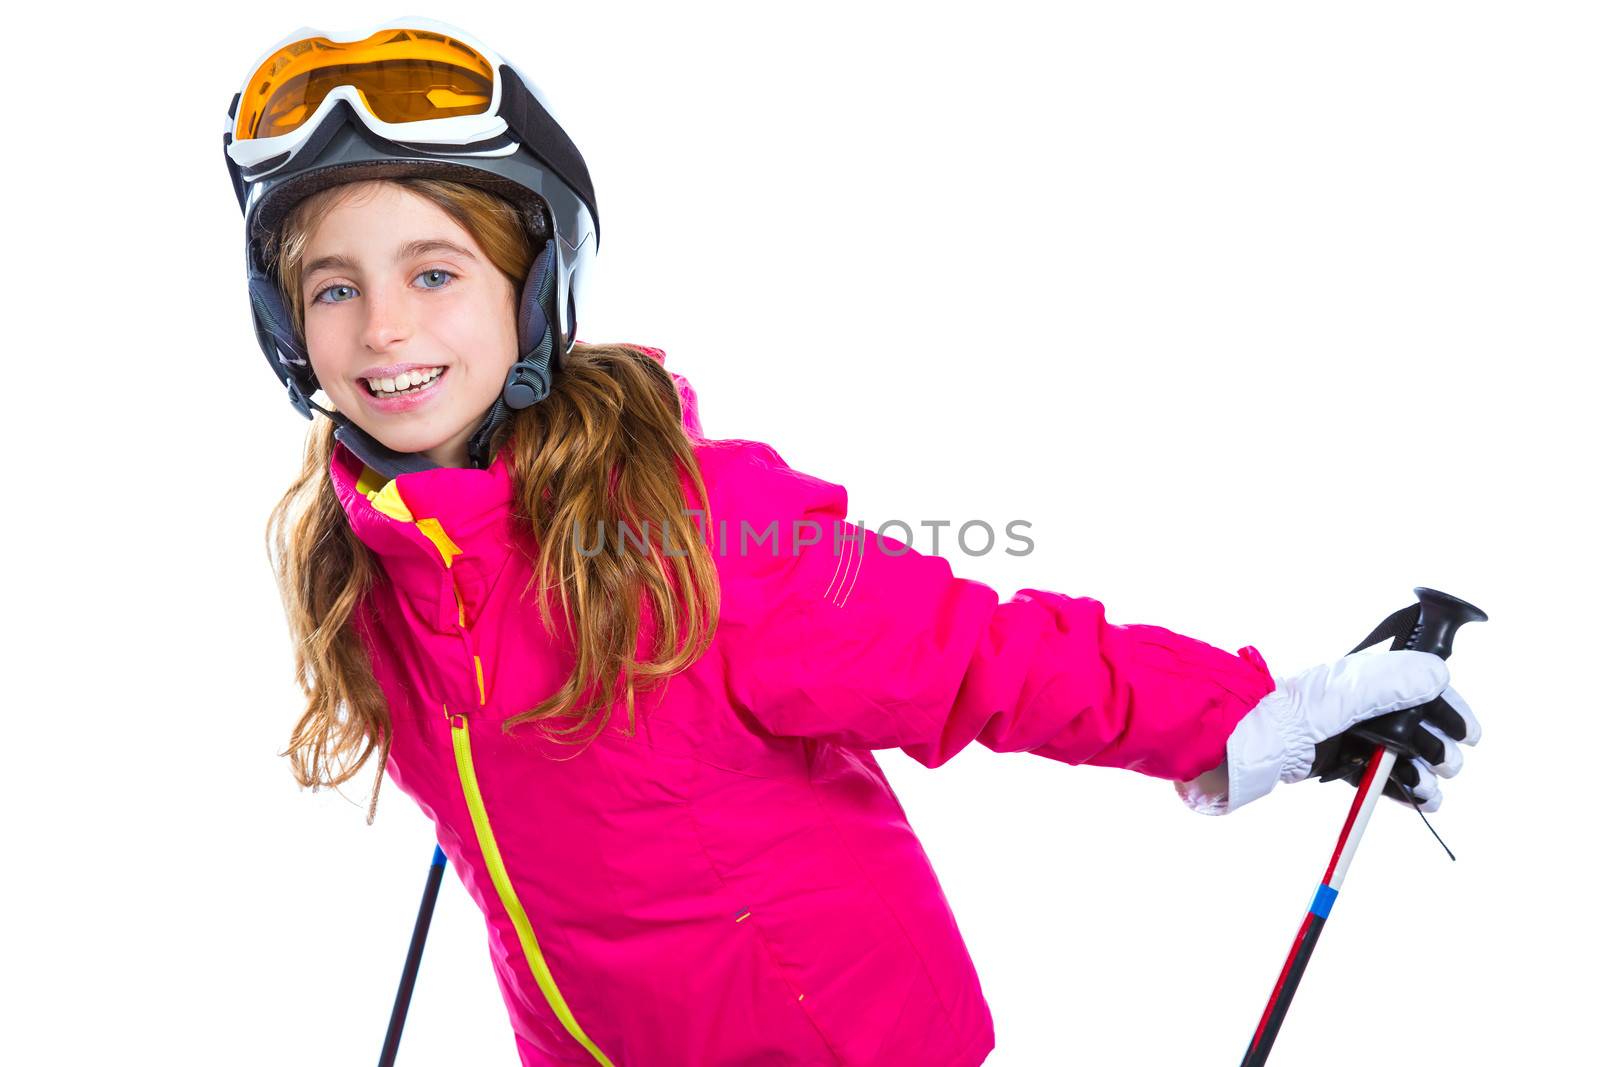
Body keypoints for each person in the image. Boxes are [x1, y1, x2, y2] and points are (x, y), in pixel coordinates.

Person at [225, 19, 1482, 1067]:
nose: (384, 327)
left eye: (434, 273)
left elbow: (981, 655)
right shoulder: (369, 572)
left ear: (533, 287)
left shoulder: (693, 536)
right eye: (335, 286)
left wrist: (1246, 715)